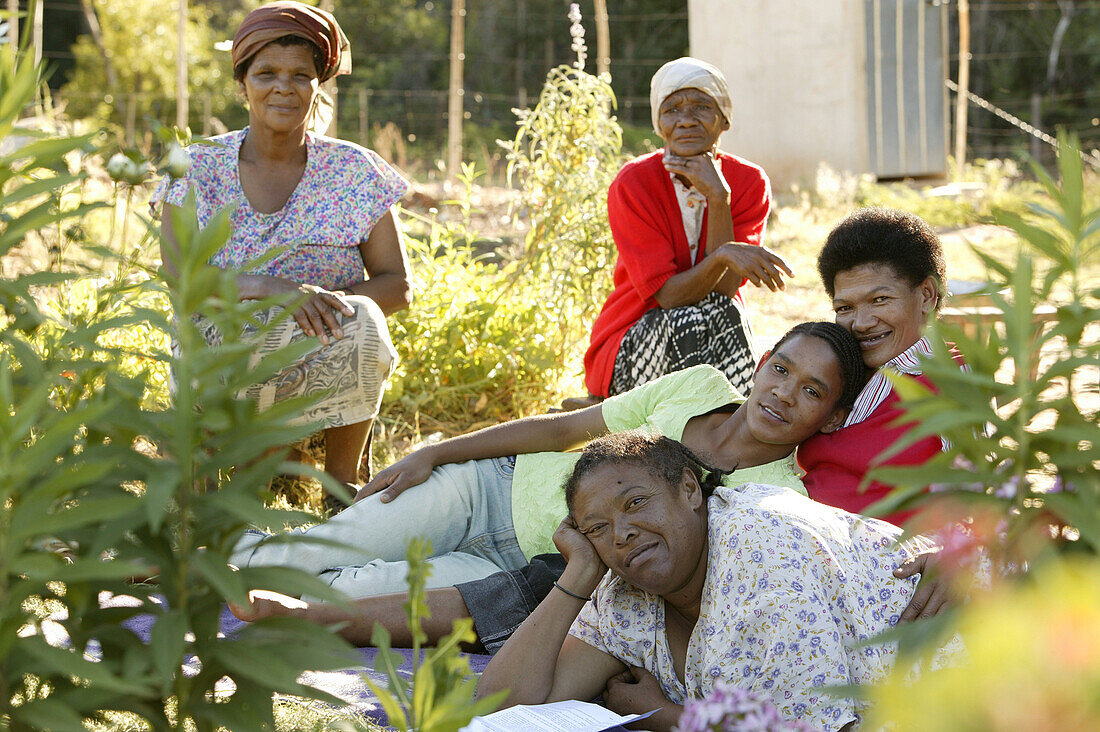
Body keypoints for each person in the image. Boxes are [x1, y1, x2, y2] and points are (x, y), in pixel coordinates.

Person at [231, 322, 867, 640]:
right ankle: (167, 567)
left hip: (530, 568)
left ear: (833, 416)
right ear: (762, 364)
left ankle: (223, 597)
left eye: (812, 391)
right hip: (487, 490)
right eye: (780, 369)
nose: (784, 393)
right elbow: (564, 430)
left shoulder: (774, 494)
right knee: (314, 548)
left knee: (351, 591)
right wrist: (439, 451)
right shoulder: (699, 385)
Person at [477, 432, 932, 731]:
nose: (621, 534)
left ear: (690, 490)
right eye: (596, 528)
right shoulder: (626, 595)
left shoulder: (757, 547)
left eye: (636, 503)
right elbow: (502, 706)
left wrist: (673, 718)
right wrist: (578, 572)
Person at [152, 1, 411, 493]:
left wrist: (323, 306)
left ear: (318, 85)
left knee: (367, 322)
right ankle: (238, 486)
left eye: (301, 75)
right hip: (223, 337)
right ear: (242, 83)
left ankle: (342, 490)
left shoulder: (355, 171)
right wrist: (279, 291)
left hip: (324, 337)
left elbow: (397, 286)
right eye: (266, 72)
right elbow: (180, 283)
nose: (283, 87)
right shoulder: (195, 167)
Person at [583, 57, 792, 400]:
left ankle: (727, 426)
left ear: (724, 119)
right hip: (630, 339)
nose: (686, 121)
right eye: (672, 110)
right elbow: (668, 296)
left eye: (701, 107)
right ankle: (700, 431)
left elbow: (723, 290)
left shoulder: (748, 182)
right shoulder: (634, 183)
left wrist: (718, 198)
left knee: (724, 311)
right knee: (690, 320)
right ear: (658, 123)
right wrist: (724, 254)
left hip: (713, 329)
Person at [799, 207, 964, 620]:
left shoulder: (949, 379)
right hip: (805, 552)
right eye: (844, 307)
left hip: (882, 574)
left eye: (880, 300)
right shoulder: (832, 366)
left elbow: (974, 482)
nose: (861, 322)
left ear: (926, 295)